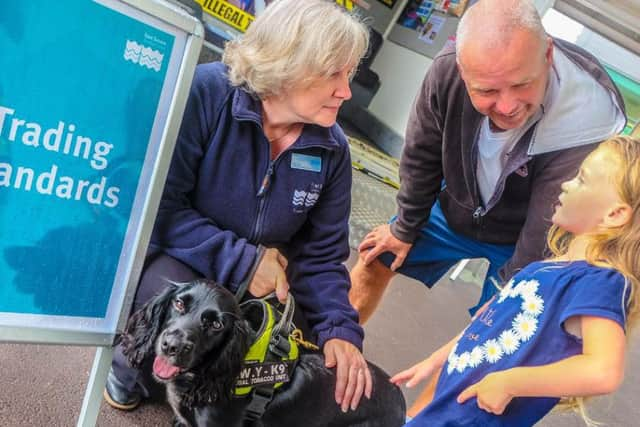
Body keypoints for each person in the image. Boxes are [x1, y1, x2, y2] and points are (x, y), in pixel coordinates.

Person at [104, 0, 372, 415]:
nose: (346, 91)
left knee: (303, 353)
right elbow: (158, 206)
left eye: (349, 74)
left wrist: (340, 329)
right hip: (182, 259)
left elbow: (322, 257)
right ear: (287, 64)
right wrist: (245, 262)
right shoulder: (208, 93)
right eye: (333, 73)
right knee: (163, 296)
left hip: (259, 287)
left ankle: (208, 393)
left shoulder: (332, 149)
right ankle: (130, 371)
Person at [349, 0, 626, 337]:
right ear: (463, 71)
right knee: (378, 256)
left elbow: (549, 221)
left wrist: (510, 290)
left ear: (548, 55)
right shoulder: (447, 71)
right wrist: (405, 227)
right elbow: (422, 153)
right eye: (487, 91)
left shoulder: (588, 117)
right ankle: (325, 354)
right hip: (456, 204)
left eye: (523, 84)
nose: (508, 106)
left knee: (492, 333)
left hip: (524, 237)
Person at [391, 135, 640, 426]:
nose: (566, 184)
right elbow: (489, 325)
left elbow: (603, 371)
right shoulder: (548, 268)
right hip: (445, 412)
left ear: (614, 214)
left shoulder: (600, 281)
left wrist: (510, 382)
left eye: (582, 180)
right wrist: (437, 359)